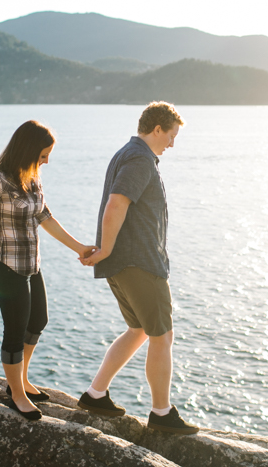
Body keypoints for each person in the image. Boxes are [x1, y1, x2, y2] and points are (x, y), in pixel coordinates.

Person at [0, 120, 95, 421]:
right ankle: (15, 393)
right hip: (4, 267)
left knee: (38, 320)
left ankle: (23, 380)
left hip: (31, 264)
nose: (46, 161)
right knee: (15, 330)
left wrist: (79, 248)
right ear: (28, 150)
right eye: (43, 155)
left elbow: (45, 217)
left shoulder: (33, 178)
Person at [79, 101, 199, 435]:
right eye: (171, 135)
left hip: (124, 261)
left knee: (139, 330)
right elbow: (116, 203)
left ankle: (95, 394)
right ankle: (161, 413)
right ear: (157, 128)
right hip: (138, 262)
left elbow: (116, 205)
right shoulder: (140, 159)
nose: (173, 143)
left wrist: (107, 252)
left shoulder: (128, 154)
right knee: (162, 335)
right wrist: (105, 248)